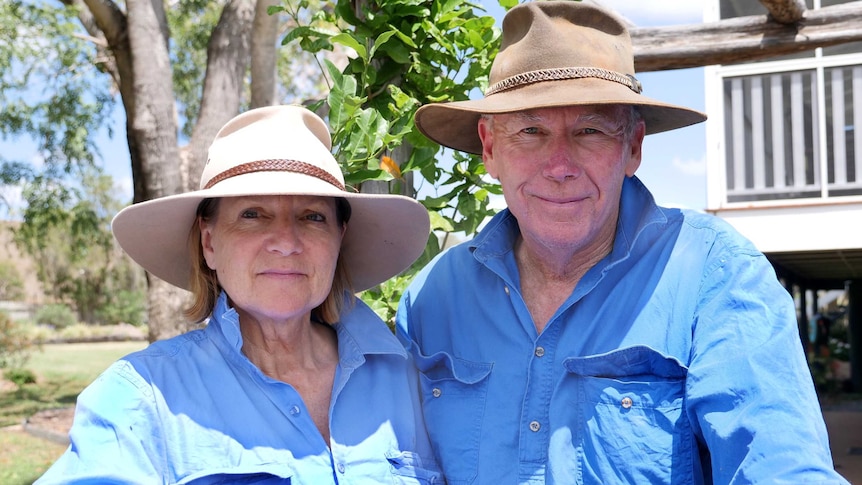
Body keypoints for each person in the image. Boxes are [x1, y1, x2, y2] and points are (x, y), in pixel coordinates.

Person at [395, 2, 848, 484]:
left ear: (633, 146)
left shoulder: (715, 273)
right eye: (530, 131)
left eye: (590, 130)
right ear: (489, 147)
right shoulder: (433, 297)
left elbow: (782, 468)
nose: (560, 165)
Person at [38, 105, 441, 484]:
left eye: (313, 216)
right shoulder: (141, 397)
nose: (286, 242)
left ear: (339, 238)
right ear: (209, 242)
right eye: (252, 214)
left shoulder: (405, 379)